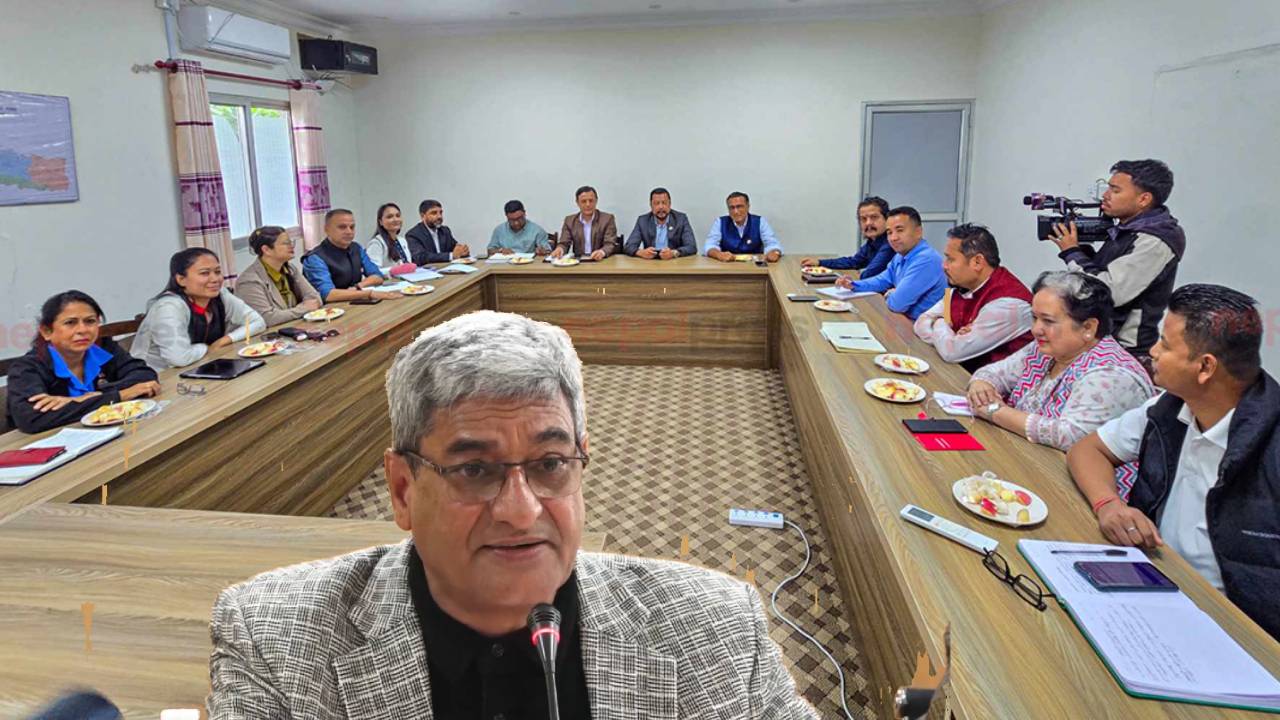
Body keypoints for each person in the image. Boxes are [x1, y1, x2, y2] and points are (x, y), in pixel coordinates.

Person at [208, 310, 817, 718]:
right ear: (401, 489)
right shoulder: (273, 638)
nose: (521, 512)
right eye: (475, 470)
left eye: (550, 464)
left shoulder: (716, 628)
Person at [1067, 284, 1279, 639]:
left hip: (1233, 630)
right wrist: (1109, 504)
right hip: (1154, 582)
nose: (1152, 351)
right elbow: (1087, 450)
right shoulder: (1169, 407)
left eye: (1165, 344)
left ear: (1205, 367)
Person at [967, 271, 1154, 452]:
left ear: (1088, 327)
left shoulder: (1112, 374)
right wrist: (981, 385)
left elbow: (1070, 436)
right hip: (1024, 453)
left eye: (1048, 321)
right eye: (1034, 318)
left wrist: (994, 410)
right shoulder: (1048, 348)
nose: (1035, 329)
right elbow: (993, 374)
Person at [1048, 159, 1185, 365]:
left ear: (1144, 199)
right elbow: (1103, 271)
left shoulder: (1154, 240)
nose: (1105, 195)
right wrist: (1081, 250)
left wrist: (1072, 253)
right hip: (1103, 343)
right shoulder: (1127, 228)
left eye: (1115, 190)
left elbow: (1110, 292)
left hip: (1126, 352)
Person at [6, 290, 159, 434]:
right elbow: (31, 418)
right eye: (70, 323)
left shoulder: (104, 348)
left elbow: (144, 376)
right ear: (47, 331)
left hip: (110, 432)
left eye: (90, 321)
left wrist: (82, 399)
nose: (83, 330)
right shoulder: (27, 368)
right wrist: (119, 396)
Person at [913, 224, 1034, 372]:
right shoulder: (962, 287)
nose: (944, 266)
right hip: (961, 374)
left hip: (996, 385)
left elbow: (952, 352)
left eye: (950, 259)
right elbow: (921, 323)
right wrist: (948, 335)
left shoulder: (1009, 304)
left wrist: (939, 321)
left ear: (977, 262)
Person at [131, 249, 267, 371]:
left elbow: (258, 322)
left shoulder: (221, 295)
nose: (215, 279)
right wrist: (206, 348)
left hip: (201, 366)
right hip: (155, 377)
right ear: (181, 279)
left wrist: (224, 340)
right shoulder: (168, 308)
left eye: (217, 272)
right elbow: (179, 358)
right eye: (204, 273)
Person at [835, 206, 945, 320]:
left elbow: (897, 304)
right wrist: (853, 285)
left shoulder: (927, 260)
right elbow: (882, 280)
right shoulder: (900, 255)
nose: (893, 238)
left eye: (900, 230)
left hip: (922, 327)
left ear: (918, 232)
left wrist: (890, 294)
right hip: (902, 320)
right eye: (889, 232)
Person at [301, 209, 402, 303]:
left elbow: (377, 276)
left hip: (356, 302)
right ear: (327, 229)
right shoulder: (315, 258)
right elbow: (328, 294)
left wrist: (358, 286)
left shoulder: (356, 248)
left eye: (352, 227)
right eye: (342, 227)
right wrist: (369, 293)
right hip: (330, 310)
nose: (349, 232)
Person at [234, 226, 323, 326]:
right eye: (285, 243)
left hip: (293, 326)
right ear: (266, 250)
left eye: (291, 242)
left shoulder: (290, 269)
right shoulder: (249, 281)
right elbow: (267, 318)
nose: (291, 246)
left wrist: (293, 312)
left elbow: (315, 298)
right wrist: (304, 308)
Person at [801, 196, 894, 279]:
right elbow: (853, 262)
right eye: (863, 219)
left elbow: (869, 274)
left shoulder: (891, 243)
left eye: (874, 217)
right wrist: (820, 262)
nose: (868, 223)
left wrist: (854, 276)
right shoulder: (872, 242)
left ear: (887, 219)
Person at [705, 191, 782, 263]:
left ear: (748, 207)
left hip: (754, 265)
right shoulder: (720, 222)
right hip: (727, 265)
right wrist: (719, 254)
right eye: (732, 208)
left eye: (739, 207)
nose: (736, 211)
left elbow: (772, 244)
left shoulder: (760, 221)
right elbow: (710, 245)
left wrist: (774, 252)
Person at [623, 187, 698, 259]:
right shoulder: (643, 221)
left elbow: (691, 247)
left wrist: (674, 253)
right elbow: (629, 246)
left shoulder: (681, 219)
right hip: (650, 263)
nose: (661, 207)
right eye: (657, 203)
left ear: (669, 204)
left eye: (664, 203)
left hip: (674, 262)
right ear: (651, 205)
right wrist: (641, 252)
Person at [553, 186, 618, 260]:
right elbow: (564, 243)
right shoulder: (569, 221)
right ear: (577, 203)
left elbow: (610, 243)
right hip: (579, 262)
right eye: (583, 201)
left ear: (596, 201)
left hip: (601, 261)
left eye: (591, 201)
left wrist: (602, 252)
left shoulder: (607, 219)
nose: (588, 204)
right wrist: (560, 249)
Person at [406, 199, 470, 264]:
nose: (439, 216)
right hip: (428, 269)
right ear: (423, 216)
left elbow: (455, 248)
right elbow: (421, 257)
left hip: (447, 267)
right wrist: (451, 256)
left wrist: (462, 251)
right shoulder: (413, 235)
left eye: (441, 212)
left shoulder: (445, 230)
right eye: (434, 213)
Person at [365, 202, 413, 267]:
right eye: (390, 217)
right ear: (381, 222)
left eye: (398, 216)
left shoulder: (402, 241)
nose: (395, 219)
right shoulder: (376, 243)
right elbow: (374, 270)